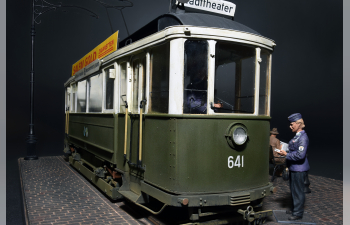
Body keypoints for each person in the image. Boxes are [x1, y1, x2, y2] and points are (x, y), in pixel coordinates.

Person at [278, 113, 309, 221]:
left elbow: (300, 155)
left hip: (299, 169)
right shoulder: (298, 136)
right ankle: (295, 209)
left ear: (298, 124)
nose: (290, 127)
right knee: (294, 190)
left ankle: (298, 213)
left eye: (292, 124)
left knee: (298, 191)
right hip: (294, 167)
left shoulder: (303, 138)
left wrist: (286, 154)